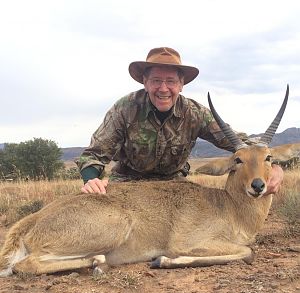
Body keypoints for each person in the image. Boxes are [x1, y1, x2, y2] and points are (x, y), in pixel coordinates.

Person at [76, 47, 283, 194]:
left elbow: (243, 145)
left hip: (174, 188)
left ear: (182, 84)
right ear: (145, 82)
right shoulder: (125, 108)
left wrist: (272, 167)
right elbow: (93, 155)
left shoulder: (195, 113)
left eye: (171, 81)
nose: (163, 89)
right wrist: (91, 180)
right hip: (127, 185)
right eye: (156, 81)